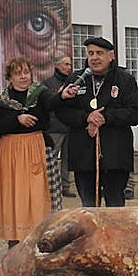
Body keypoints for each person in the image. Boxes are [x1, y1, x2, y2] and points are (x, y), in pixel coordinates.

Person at [52, 36, 138, 207]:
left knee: (115, 208)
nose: (94, 57)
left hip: (115, 156)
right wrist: (86, 117)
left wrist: (105, 117)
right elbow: (63, 112)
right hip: (84, 156)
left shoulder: (125, 80)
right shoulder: (76, 79)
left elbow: (135, 113)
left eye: (99, 53)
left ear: (111, 56)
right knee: (89, 208)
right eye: (91, 53)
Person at [0, 56, 53, 246]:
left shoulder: (41, 94)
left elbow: (49, 110)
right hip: (10, 151)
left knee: (35, 195)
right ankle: (14, 242)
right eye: (18, 73)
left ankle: (36, 240)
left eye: (26, 72)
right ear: (10, 77)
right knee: (11, 195)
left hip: (34, 147)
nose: (23, 77)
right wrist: (17, 119)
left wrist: (62, 95)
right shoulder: (2, 100)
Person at [42, 54, 76, 205]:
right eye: (66, 64)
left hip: (70, 126)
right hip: (55, 127)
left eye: (70, 65)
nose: (69, 67)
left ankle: (65, 185)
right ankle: (51, 185)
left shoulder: (73, 82)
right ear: (57, 65)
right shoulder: (48, 83)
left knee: (68, 159)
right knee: (52, 158)